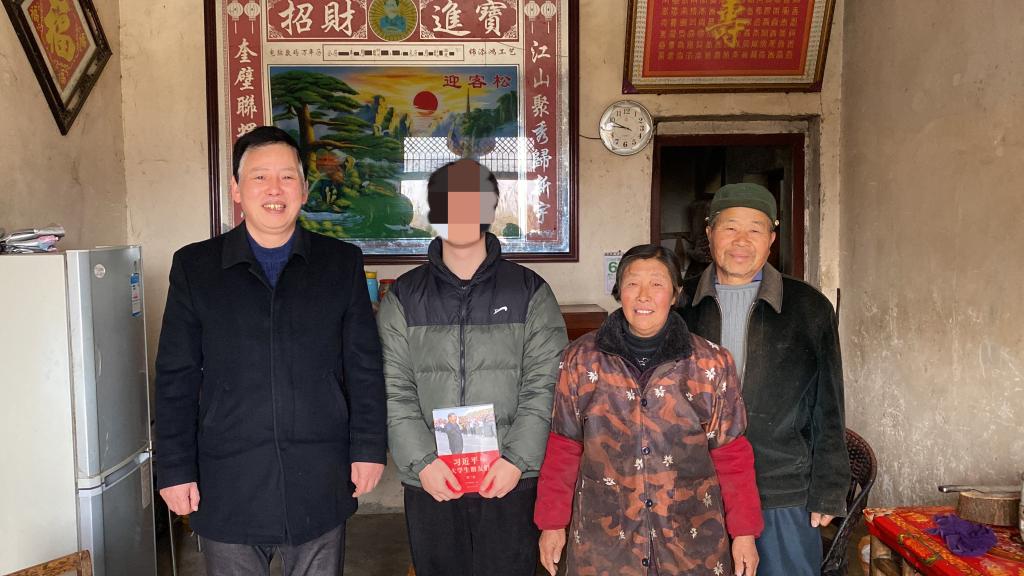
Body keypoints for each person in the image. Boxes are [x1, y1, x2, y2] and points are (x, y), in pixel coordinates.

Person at [154, 126, 387, 576]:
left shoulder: (340, 263)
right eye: (260, 177)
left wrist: (369, 448)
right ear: (236, 190)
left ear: (304, 189)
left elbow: (363, 365)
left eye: (287, 177)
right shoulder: (196, 267)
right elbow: (175, 376)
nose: (274, 189)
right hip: (228, 478)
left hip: (320, 473)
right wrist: (175, 468)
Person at [378, 159, 568, 576]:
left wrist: (516, 460)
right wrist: (422, 462)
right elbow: (393, 389)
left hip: (510, 480)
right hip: (432, 481)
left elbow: (547, 386)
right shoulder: (404, 297)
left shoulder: (530, 292)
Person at [535, 244, 763, 576]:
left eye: (657, 283)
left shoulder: (710, 362)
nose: (644, 295)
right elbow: (564, 447)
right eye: (632, 283)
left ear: (675, 293)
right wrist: (552, 523)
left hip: (690, 539)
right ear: (619, 292)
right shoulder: (580, 359)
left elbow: (731, 455)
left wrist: (744, 533)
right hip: (605, 542)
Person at [677, 183, 850, 576]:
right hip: (696, 486)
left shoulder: (808, 308)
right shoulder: (681, 306)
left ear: (771, 238)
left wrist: (829, 486)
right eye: (730, 227)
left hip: (781, 489)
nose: (741, 240)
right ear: (709, 233)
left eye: (755, 229)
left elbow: (829, 405)